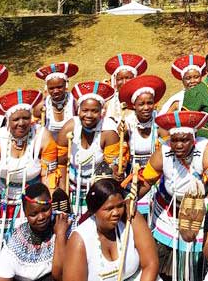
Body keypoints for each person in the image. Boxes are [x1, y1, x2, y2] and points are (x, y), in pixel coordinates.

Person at [137, 111, 208, 280]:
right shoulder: (163, 151)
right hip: (167, 214)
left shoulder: (206, 150)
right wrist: (130, 196)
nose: (179, 145)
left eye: (184, 140)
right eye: (175, 140)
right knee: (161, 262)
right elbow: (146, 181)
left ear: (193, 139)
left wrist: (203, 206)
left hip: (197, 214)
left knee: (191, 269)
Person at [64, 178, 159, 281]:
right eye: (109, 209)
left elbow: (150, 264)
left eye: (120, 206)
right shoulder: (79, 241)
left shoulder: (130, 218)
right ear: (94, 211)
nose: (116, 213)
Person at [0, 89, 59, 244]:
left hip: (32, 204)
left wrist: (46, 206)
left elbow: (49, 175)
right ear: (8, 120)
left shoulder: (42, 136)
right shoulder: (0, 138)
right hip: (3, 199)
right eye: (16, 119)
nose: (21, 123)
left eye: (26, 118)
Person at [56, 81, 122, 216]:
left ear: (101, 112)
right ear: (78, 110)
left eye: (94, 111)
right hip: (72, 187)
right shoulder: (70, 127)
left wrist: (99, 197)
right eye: (85, 110)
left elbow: (112, 169)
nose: (89, 115)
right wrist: (63, 192)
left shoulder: (108, 132)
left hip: (99, 189)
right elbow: (61, 163)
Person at [0, 183, 71, 281]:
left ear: (51, 205)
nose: (41, 217)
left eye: (45, 210)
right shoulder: (15, 243)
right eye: (33, 214)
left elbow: (62, 276)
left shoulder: (66, 224)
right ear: (25, 213)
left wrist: (61, 234)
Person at [118, 75, 168, 216]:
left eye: (149, 103)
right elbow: (120, 154)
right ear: (134, 106)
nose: (146, 107)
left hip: (156, 178)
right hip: (132, 178)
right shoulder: (126, 124)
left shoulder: (160, 123)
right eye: (141, 104)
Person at [33, 62, 78, 139]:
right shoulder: (41, 107)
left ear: (66, 85)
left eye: (59, 87)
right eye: (51, 88)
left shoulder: (75, 103)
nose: (56, 91)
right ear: (46, 88)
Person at [104, 53, 148, 122]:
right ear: (115, 81)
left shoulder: (145, 100)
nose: (124, 83)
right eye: (119, 79)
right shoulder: (108, 102)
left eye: (128, 78)